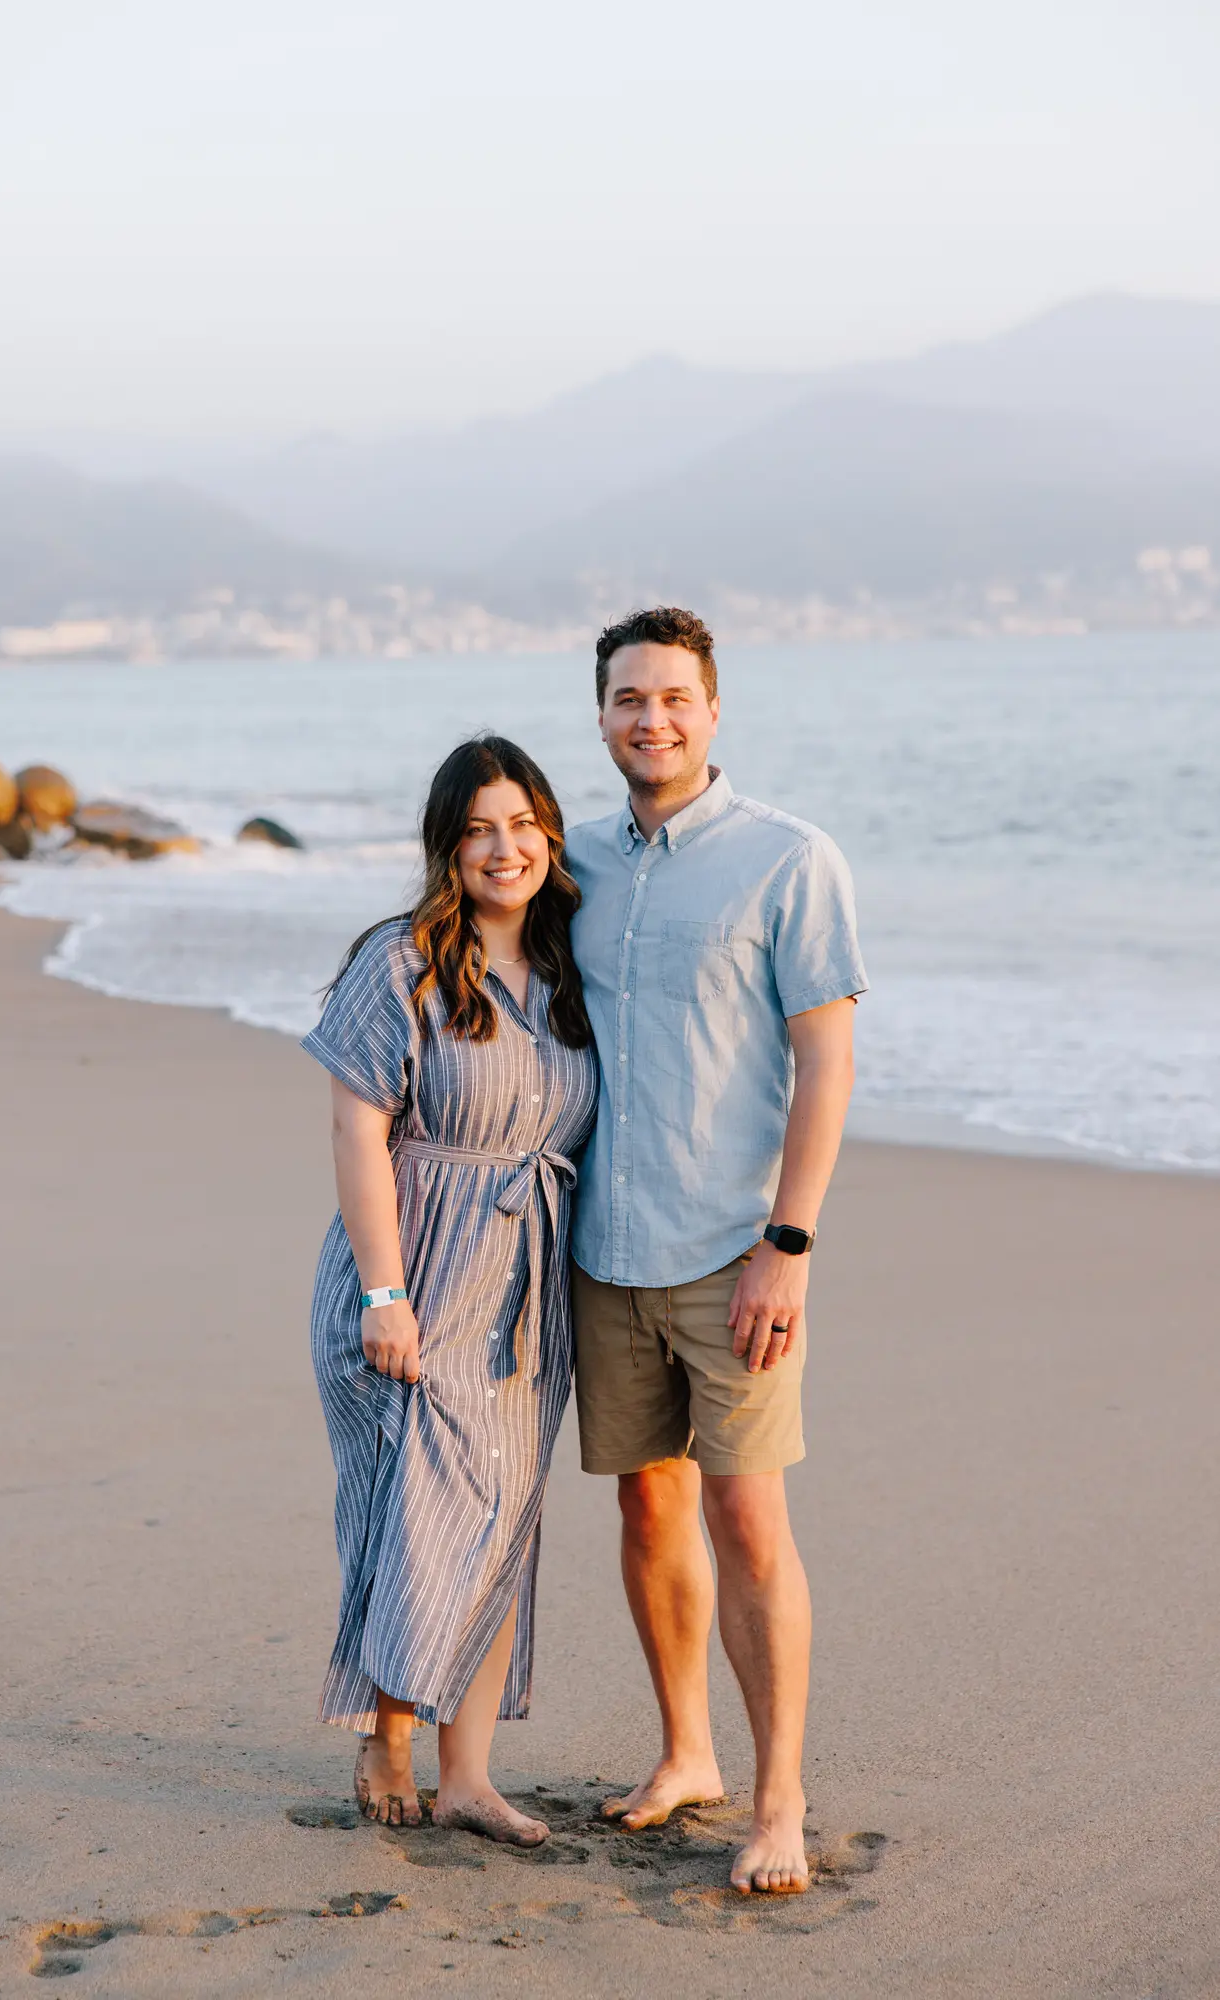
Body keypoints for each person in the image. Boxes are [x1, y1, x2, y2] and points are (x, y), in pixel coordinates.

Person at [565, 606, 867, 1895]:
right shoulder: (570, 861)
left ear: (712, 707)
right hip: (602, 1247)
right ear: (601, 714)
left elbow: (826, 1059)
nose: (653, 718)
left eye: (675, 697)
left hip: (731, 1250)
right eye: (630, 698)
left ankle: (778, 1799)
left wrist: (787, 1243)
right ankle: (685, 1750)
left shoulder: (787, 860)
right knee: (646, 1503)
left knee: (749, 1517)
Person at [302, 734, 598, 1846]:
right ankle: (385, 1734)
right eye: (477, 826)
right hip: (413, 1272)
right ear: (445, 844)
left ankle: (467, 1774)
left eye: (522, 822)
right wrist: (384, 1294)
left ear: (550, 834)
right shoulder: (401, 961)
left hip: (523, 1300)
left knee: (498, 1525)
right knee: (407, 1515)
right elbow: (355, 1128)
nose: (502, 845)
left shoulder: (572, 969)